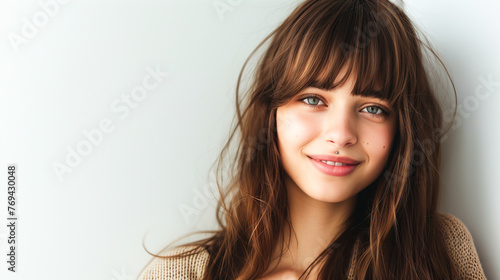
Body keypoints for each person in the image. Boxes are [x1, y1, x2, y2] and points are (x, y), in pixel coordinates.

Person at [138, 0, 487, 279]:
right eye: (313, 99)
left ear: (402, 129)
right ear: (272, 111)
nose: (341, 134)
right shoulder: (181, 273)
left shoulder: (435, 251)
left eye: (372, 108)